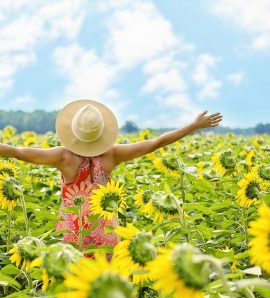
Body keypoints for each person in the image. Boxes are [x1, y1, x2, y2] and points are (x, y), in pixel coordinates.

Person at [0, 99, 222, 258]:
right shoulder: (112, 154)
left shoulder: (63, 156)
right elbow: (156, 143)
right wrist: (193, 125)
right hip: (106, 233)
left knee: (73, 287)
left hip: (73, 233)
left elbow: (17, 151)